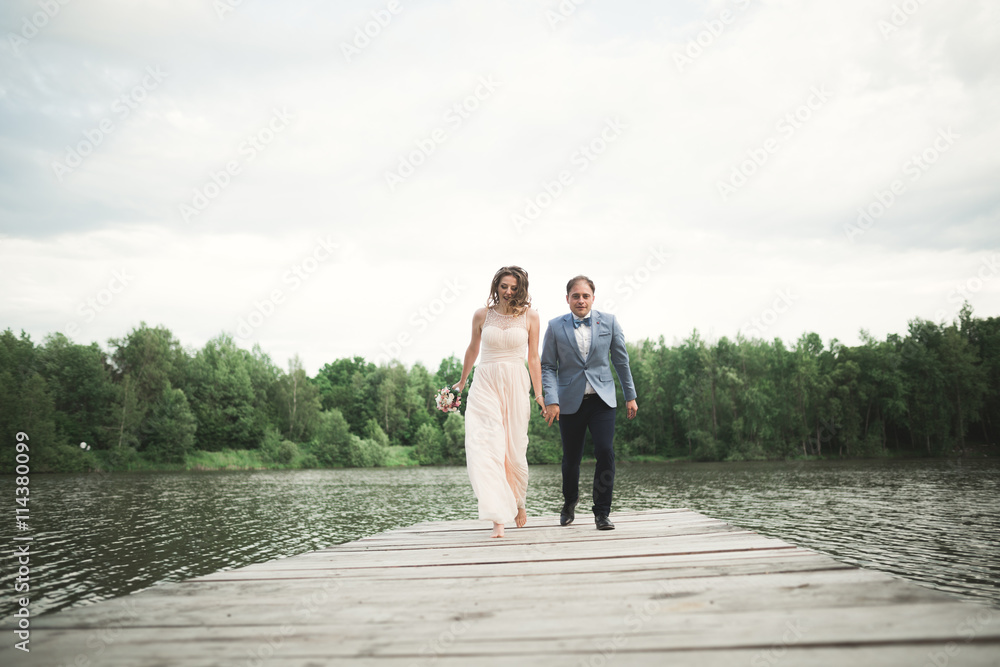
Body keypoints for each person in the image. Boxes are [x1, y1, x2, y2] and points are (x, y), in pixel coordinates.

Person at [541, 275, 637, 530]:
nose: (580, 300)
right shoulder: (554, 326)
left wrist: (630, 395)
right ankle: (569, 502)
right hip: (569, 402)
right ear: (567, 299)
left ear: (593, 298)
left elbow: (621, 360)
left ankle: (602, 512)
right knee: (571, 459)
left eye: (585, 296)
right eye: (576, 296)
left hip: (602, 399)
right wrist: (551, 400)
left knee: (605, 451)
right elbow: (548, 366)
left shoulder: (609, 322)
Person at [455, 266, 545, 538]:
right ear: (496, 286)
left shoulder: (531, 317)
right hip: (485, 382)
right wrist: (461, 382)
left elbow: (533, 358)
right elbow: (473, 349)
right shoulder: (482, 315)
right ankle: (498, 519)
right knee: (486, 445)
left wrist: (540, 395)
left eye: (514, 288)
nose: (508, 292)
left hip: (516, 383)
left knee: (514, 450)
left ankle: (518, 502)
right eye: (504, 286)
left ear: (521, 289)